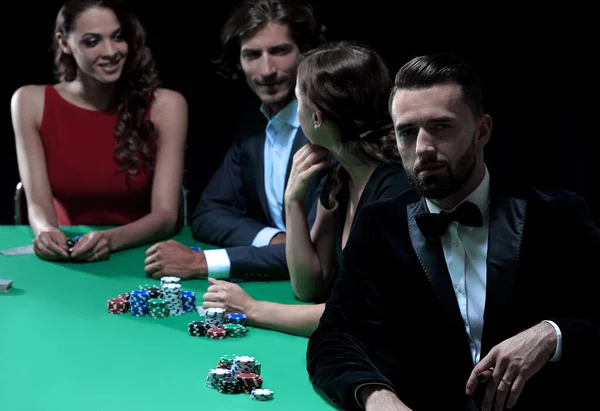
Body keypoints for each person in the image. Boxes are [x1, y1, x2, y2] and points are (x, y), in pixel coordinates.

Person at [306, 53, 600, 410]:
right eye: (407, 132)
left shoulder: (556, 216)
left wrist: (550, 334)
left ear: (482, 130)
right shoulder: (379, 225)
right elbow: (334, 337)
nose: (423, 148)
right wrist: (375, 396)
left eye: (441, 127)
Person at [198, 41, 411, 337]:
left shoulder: (395, 192)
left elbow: (356, 315)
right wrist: (293, 201)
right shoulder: (340, 174)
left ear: (316, 117)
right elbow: (308, 286)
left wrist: (252, 309)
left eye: (299, 100)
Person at [144, 0, 329, 282]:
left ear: (305, 52)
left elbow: (319, 253)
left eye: (279, 51)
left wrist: (201, 262)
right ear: (238, 62)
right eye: (252, 54)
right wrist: (273, 238)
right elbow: (208, 213)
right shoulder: (253, 128)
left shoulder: (329, 131)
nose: (267, 69)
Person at [10, 0, 188, 263]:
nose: (110, 51)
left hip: (142, 253)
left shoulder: (168, 106)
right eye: (92, 41)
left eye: (118, 37)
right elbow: (37, 203)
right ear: (64, 43)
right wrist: (47, 233)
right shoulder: (29, 102)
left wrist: (109, 240)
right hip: (66, 252)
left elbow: (165, 216)